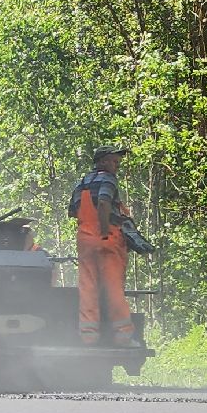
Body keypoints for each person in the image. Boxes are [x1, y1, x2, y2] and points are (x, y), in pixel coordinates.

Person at [68, 145, 136, 346]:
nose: (117, 166)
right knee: (113, 287)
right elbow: (105, 202)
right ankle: (123, 336)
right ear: (103, 161)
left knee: (88, 287)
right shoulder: (108, 179)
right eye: (114, 161)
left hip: (85, 241)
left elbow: (72, 212)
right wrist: (105, 229)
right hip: (106, 239)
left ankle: (89, 336)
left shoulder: (82, 183)